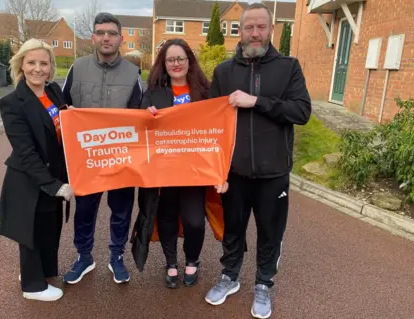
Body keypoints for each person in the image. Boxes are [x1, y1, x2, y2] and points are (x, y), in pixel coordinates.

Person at [204, 3, 311, 319]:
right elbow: (209, 122)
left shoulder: (288, 67)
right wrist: (216, 167)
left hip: (273, 173)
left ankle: (264, 284)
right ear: (239, 31)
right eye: (248, 27)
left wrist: (257, 103)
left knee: (270, 231)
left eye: (260, 27)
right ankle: (230, 276)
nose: (254, 33)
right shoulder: (224, 71)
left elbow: (301, 112)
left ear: (271, 29)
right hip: (234, 173)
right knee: (233, 229)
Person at [130, 38, 229, 289]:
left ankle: (192, 260)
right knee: (167, 218)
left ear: (189, 61)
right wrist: (147, 115)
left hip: (195, 171)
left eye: (180, 59)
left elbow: (219, 127)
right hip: (164, 171)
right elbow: (140, 126)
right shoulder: (153, 92)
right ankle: (171, 262)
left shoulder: (205, 92)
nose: (176, 64)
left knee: (194, 220)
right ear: (164, 64)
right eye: (170, 59)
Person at [62, 12, 143, 285]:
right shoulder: (77, 67)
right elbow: (62, 109)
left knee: (121, 210)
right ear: (93, 37)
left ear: (120, 39)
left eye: (111, 33)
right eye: (100, 32)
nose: (106, 37)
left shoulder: (133, 73)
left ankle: (116, 256)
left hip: (121, 157)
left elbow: (141, 114)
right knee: (85, 209)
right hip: (87, 158)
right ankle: (84, 256)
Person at [0, 39, 74, 301]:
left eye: (44, 63)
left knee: (48, 227)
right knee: (30, 231)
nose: (38, 69)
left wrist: (71, 116)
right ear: (21, 65)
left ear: (51, 67)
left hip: (53, 174)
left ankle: (40, 272)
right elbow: (26, 151)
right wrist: (53, 185)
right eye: (31, 62)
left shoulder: (53, 91)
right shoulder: (12, 102)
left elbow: (61, 123)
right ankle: (33, 287)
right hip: (29, 180)